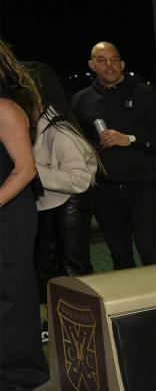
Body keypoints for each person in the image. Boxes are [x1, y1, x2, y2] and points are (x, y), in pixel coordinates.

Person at [70, 41, 156, 270]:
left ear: (122, 64)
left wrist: (129, 139)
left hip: (141, 187)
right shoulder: (81, 100)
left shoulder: (144, 94)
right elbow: (74, 143)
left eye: (114, 59)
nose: (109, 65)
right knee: (119, 254)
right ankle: (130, 304)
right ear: (92, 65)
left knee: (149, 250)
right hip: (103, 190)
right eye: (101, 60)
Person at [0, 40, 48, 391]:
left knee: (12, 292)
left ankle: (23, 376)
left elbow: (26, 170)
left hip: (10, 211)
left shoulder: (4, 108)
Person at [26, 62, 98, 296]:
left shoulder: (61, 132)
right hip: (50, 205)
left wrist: (31, 170)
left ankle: (84, 322)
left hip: (68, 206)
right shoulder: (36, 126)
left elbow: (80, 179)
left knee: (72, 271)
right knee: (47, 270)